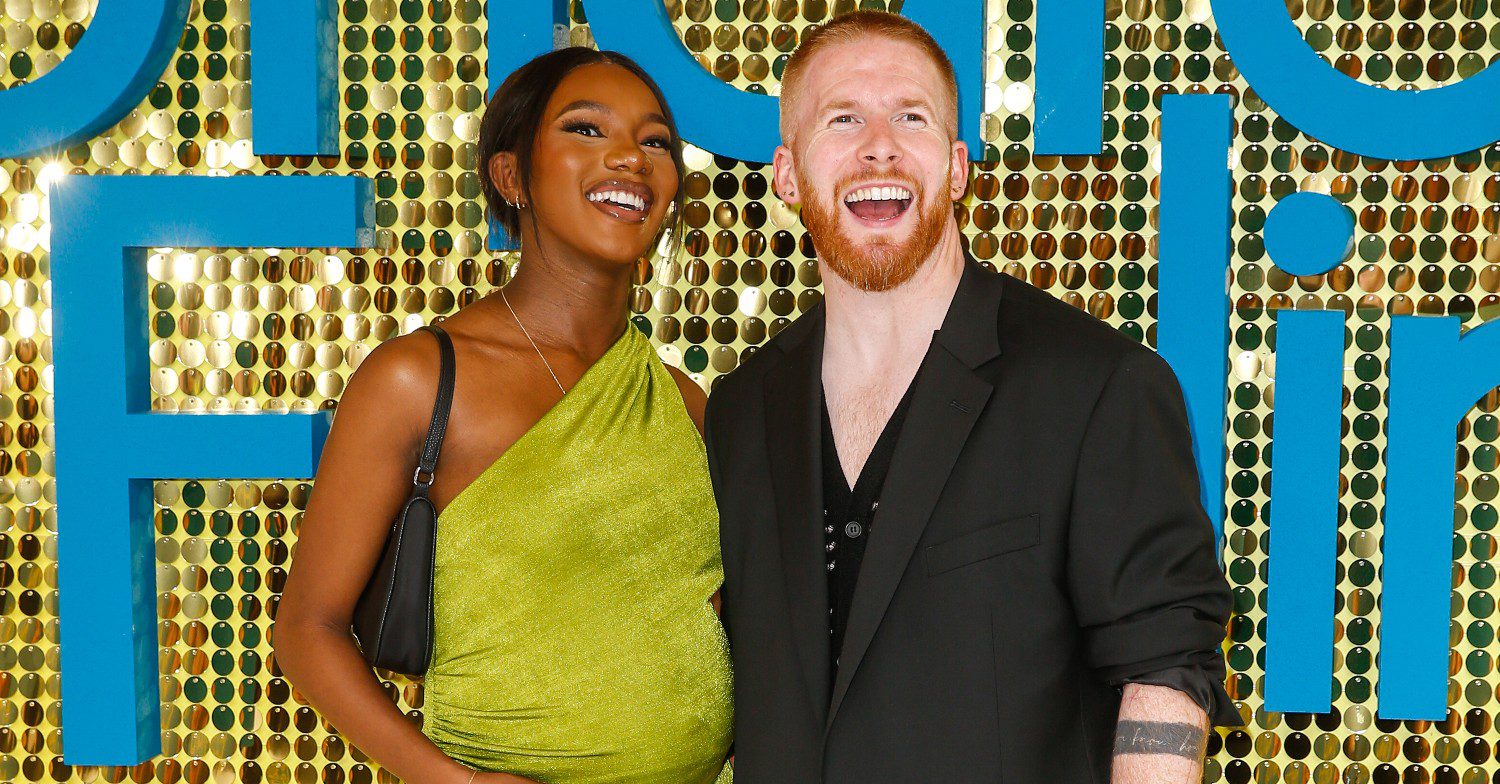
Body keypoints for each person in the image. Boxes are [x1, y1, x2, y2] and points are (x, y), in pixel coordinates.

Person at [703, 11, 1242, 784]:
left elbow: (1164, 667)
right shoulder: (742, 407)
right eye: (844, 117)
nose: (879, 143)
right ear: (787, 173)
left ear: (956, 167)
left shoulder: (1097, 386)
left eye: (910, 116)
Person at [273, 48, 733, 784]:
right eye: (587, 130)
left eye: (656, 143)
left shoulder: (685, 401)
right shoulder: (417, 379)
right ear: (511, 175)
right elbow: (306, 631)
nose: (631, 159)